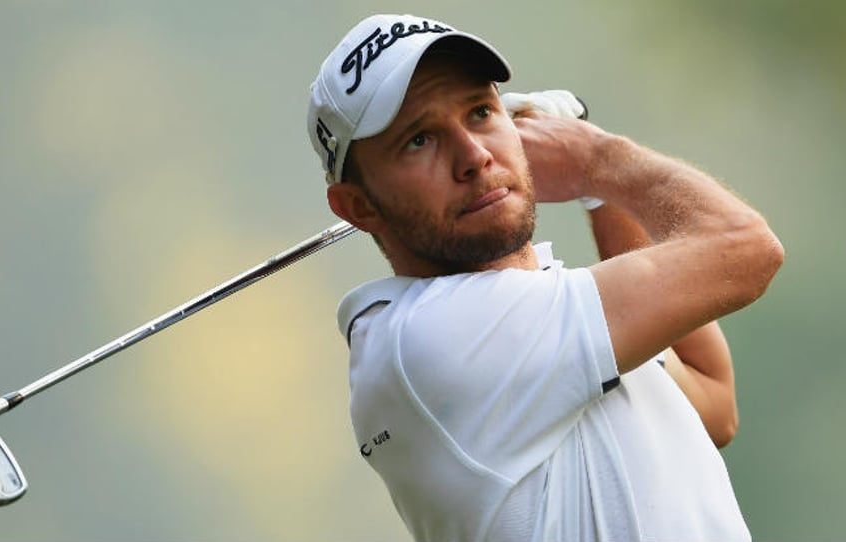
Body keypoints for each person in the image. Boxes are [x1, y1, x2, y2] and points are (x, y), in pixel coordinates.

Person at [306, 13, 783, 542]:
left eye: (481, 112)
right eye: (420, 140)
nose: (474, 156)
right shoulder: (436, 338)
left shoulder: (546, 328)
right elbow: (744, 248)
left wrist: (600, 192)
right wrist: (596, 157)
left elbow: (711, 404)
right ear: (357, 205)